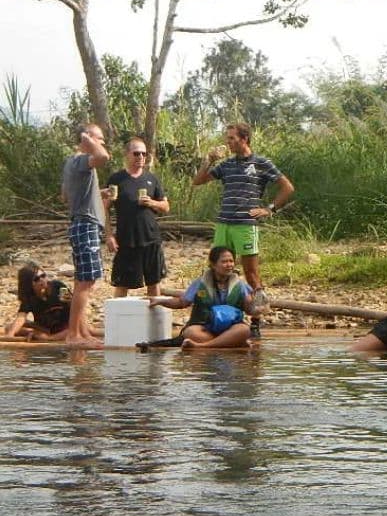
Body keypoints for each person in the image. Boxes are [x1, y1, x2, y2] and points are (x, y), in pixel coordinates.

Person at [193, 122, 294, 338]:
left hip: (245, 225)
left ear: (244, 139)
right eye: (227, 138)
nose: (227, 142)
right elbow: (198, 181)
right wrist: (208, 161)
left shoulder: (261, 163)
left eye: (231, 138)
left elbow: (287, 187)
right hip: (224, 223)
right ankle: (218, 316)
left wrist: (270, 209)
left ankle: (256, 320)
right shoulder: (227, 165)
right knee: (217, 270)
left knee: (251, 274)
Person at [61, 123, 110, 346]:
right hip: (85, 225)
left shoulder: (71, 164)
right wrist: (89, 141)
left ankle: (82, 332)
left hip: (81, 223)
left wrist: (96, 194)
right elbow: (103, 157)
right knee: (86, 281)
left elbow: (65, 195)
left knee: (83, 279)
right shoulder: (82, 160)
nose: (102, 143)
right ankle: (74, 335)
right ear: (87, 139)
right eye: (99, 138)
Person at [148, 246, 254, 349]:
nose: (229, 265)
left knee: (244, 330)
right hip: (205, 328)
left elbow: (250, 310)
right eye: (224, 262)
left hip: (230, 328)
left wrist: (256, 307)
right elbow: (182, 302)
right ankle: (230, 342)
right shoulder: (200, 283)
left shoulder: (240, 285)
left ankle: (201, 345)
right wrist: (161, 301)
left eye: (231, 261)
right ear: (213, 264)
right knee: (190, 332)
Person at [104, 137, 170, 297]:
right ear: (127, 155)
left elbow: (166, 207)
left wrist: (151, 203)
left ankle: (155, 320)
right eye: (136, 153)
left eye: (144, 154)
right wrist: (109, 235)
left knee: (154, 282)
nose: (141, 157)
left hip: (151, 238)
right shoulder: (117, 179)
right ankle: (118, 319)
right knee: (122, 284)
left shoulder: (151, 179)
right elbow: (104, 209)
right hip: (126, 240)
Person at [4, 264, 101, 341]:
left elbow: (73, 306)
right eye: (36, 279)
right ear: (28, 284)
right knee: (9, 328)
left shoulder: (58, 287)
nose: (42, 280)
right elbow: (20, 318)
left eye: (43, 276)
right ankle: (39, 334)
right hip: (47, 327)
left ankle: (47, 338)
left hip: (65, 326)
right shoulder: (30, 298)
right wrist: (10, 336)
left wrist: (82, 326)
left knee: (87, 330)